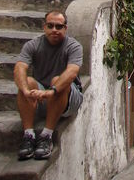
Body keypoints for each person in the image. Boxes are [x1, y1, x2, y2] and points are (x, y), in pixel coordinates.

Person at [14, 10, 83, 160]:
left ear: (65, 28)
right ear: (44, 27)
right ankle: (29, 135)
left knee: (57, 80)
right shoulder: (33, 45)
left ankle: (46, 135)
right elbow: (20, 66)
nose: (54, 30)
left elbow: (72, 72)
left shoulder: (73, 46)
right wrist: (26, 91)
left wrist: (52, 91)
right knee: (28, 82)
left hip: (69, 99)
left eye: (59, 27)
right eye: (50, 26)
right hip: (43, 97)